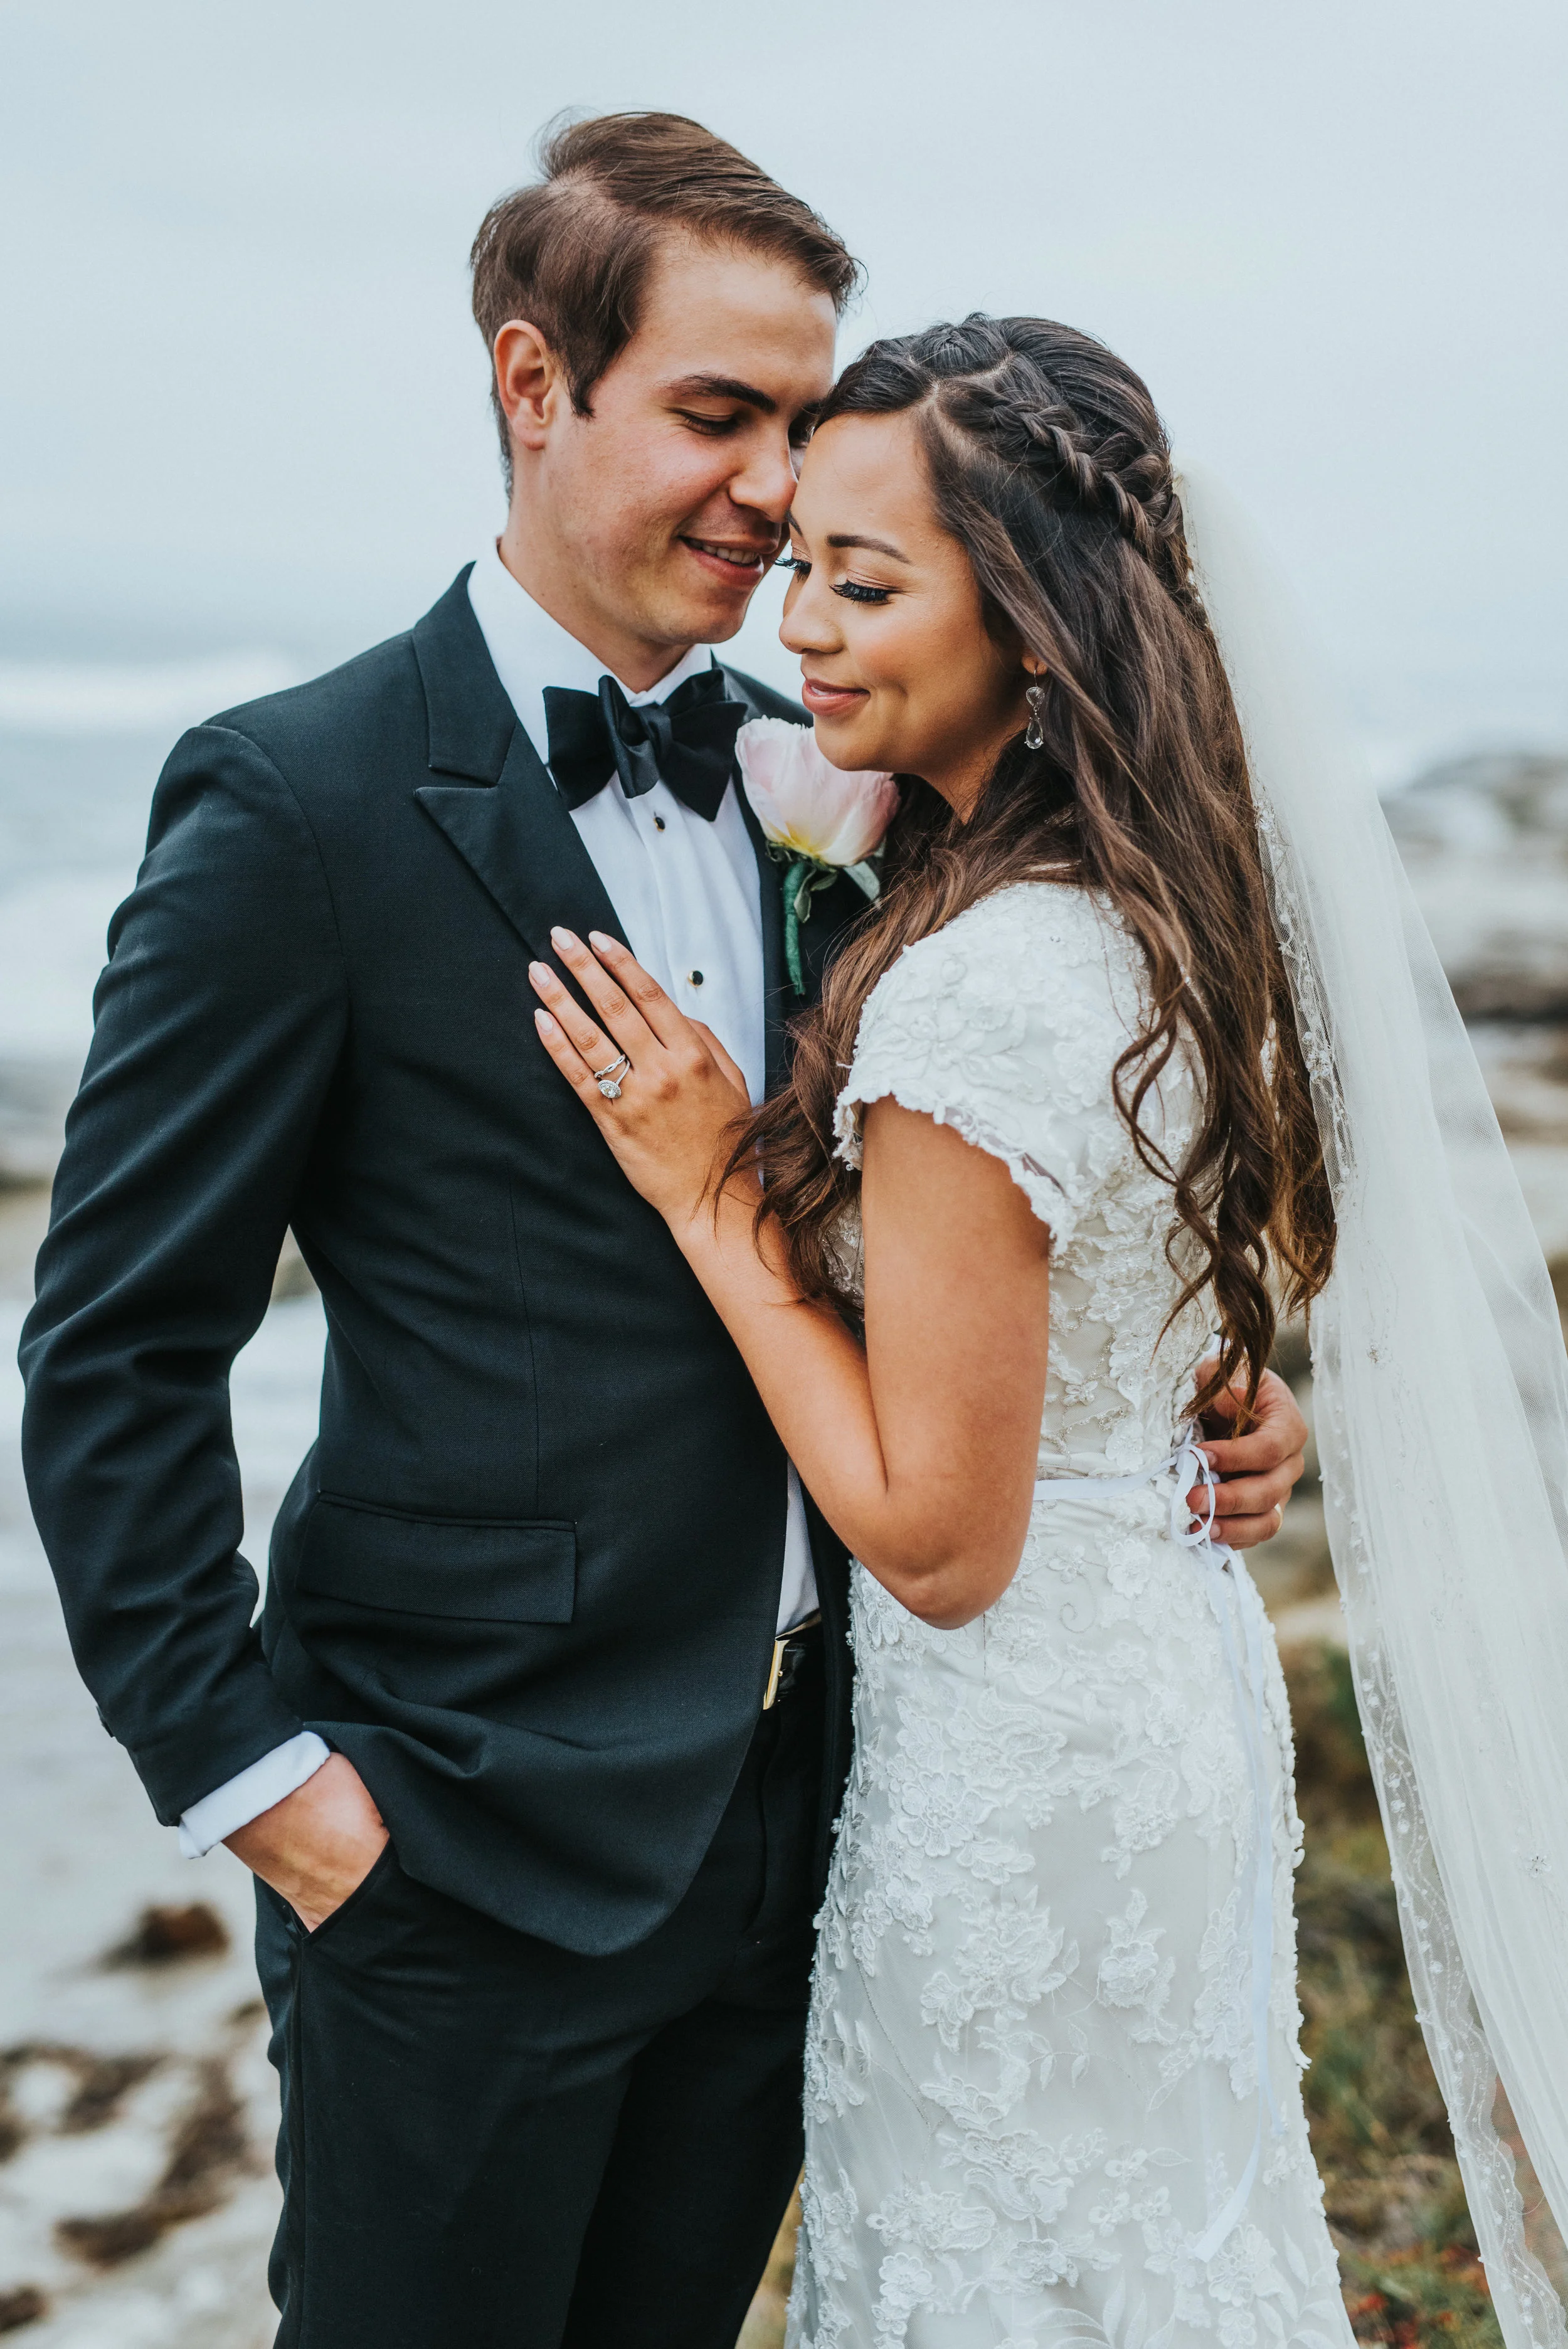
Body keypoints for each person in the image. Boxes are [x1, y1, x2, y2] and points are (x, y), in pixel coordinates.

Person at [18, 124, 1308, 2348]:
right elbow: (118, 1347)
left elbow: (992, 1197)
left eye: (799, 430)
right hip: (463, 1848)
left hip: (838, 1826)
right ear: (535, 387)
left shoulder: (847, 776)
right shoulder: (295, 805)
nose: (767, 490)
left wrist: (1195, 1375)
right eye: (714, 415)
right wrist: (260, 1786)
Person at [525, 314, 1357, 2346]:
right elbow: (1133, 1274)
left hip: (1017, 1749)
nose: (793, 622)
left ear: (1047, 619)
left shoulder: (981, 988)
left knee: (998, 2269)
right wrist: (1214, 1399)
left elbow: (937, 1540)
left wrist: (712, 1181)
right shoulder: (1172, 895)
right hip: (1163, 1678)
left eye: (862, 581)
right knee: (1151, 2249)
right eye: (799, 557)